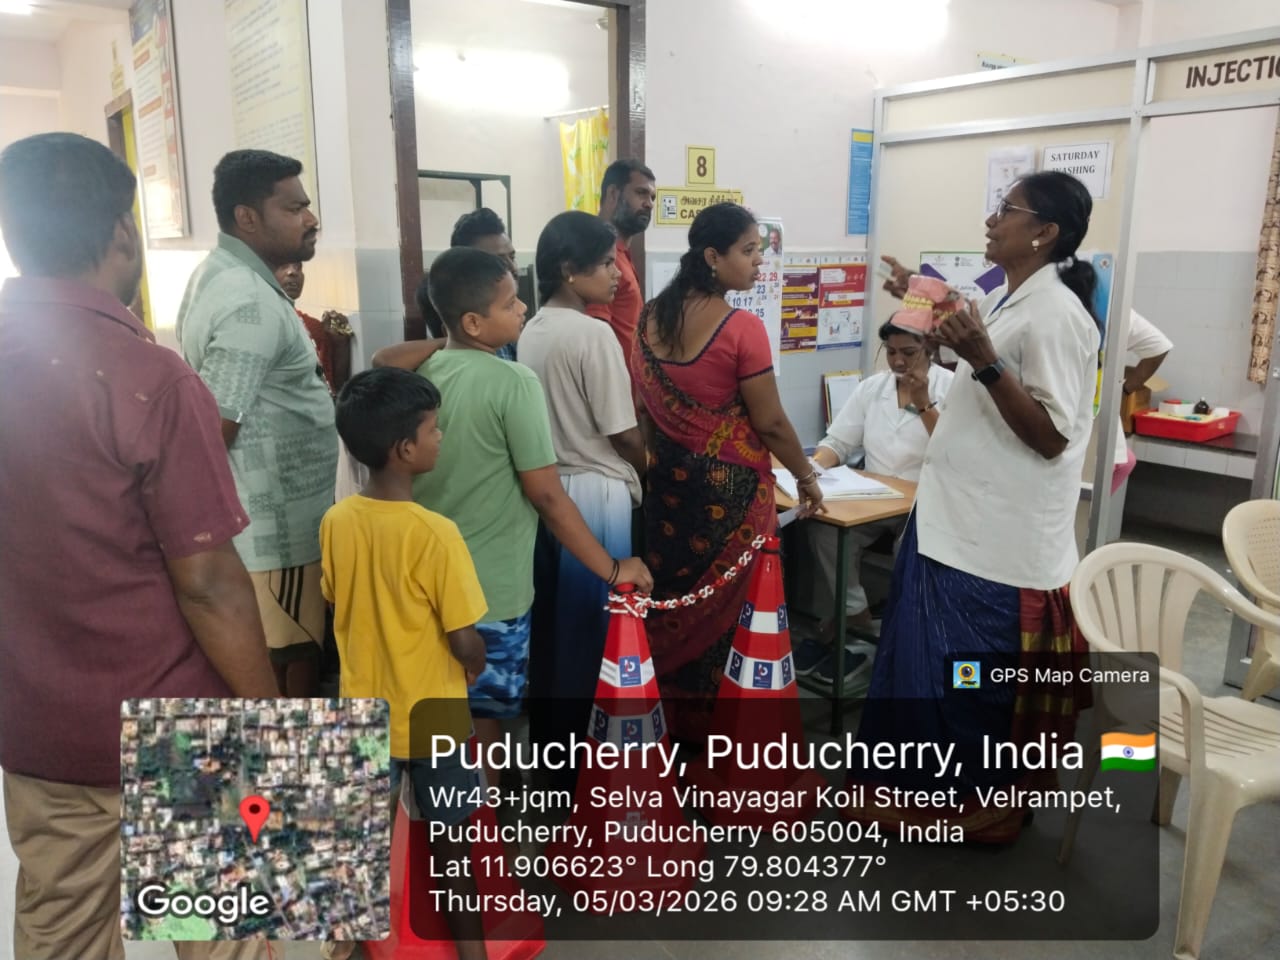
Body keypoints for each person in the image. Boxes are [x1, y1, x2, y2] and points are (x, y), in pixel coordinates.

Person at [0, 133, 278, 960]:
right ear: (123, 231)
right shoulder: (150, 378)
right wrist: (267, 719)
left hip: (39, 724)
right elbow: (209, 584)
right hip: (176, 724)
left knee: (62, 932)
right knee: (220, 929)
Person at [855, 171, 1100, 844]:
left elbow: (1051, 437)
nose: (992, 220)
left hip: (995, 547)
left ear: (1044, 232)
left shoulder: (1057, 316)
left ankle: (979, 808)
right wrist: (924, 296)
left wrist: (985, 360)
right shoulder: (1011, 298)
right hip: (952, 528)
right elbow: (974, 339)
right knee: (926, 674)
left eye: (1006, 210)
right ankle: (920, 796)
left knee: (968, 682)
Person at [410, 246, 652, 787]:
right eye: (509, 303)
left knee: (442, 713)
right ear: (473, 322)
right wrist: (614, 568)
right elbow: (547, 496)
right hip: (491, 591)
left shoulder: (423, 375)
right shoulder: (513, 382)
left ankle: (439, 823)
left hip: (428, 585)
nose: (523, 309)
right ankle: (484, 829)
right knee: (486, 721)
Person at [632, 202, 823, 742]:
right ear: (713, 256)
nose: (760, 260)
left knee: (674, 598)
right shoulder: (742, 328)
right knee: (731, 607)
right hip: (732, 499)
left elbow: (644, 410)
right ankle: (726, 735)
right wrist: (806, 478)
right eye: (749, 250)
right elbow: (771, 422)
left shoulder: (649, 317)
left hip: (668, 489)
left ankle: (668, 726)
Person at [321, 367, 487, 960]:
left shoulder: (337, 521)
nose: (440, 437)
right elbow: (465, 640)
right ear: (405, 449)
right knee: (451, 849)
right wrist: (475, 663)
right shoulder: (436, 534)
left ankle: (349, 950)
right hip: (435, 716)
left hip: (363, 711)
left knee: (359, 847)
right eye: (433, 429)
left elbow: (337, 599)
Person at [177, 149, 338, 699]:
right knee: (286, 675)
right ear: (247, 217)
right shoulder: (249, 300)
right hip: (275, 539)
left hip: (274, 529)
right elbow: (212, 430)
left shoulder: (225, 275)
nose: (311, 219)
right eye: (294, 208)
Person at [517, 211, 647, 782]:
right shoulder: (592, 334)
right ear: (570, 270)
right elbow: (622, 432)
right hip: (595, 490)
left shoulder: (533, 328)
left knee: (555, 629)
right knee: (595, 632)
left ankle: (553, 756)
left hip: (549, 488)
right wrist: (649, 466)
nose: (617, 275)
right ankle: (585, 768)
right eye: (604, 264)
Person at [794, 319, 954, 686]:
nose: (898, 362)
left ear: (929, 349)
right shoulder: (872, 388)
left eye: (908, 353)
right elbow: (838, 442)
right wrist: (812, 471)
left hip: (927, 501)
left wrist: (923, 403)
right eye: (891, 352)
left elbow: (952, 450)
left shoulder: (952, 388)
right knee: (823, 529)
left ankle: (897, 642)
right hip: (876, 499)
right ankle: (855, 615)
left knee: (909, 547)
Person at [586, 158, 656, 362]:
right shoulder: (595, 253)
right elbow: (595, 339)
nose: (649, 204)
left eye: (652, 197)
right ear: (613, 194)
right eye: (641, 193)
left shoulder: (622, 253)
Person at [1112, 310, 1172, 492]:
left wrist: (1124, 390)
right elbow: (1159, 346)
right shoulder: (1114, 307)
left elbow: (1159, 345)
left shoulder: (1113, 309)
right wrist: (1124, 390)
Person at [274, 260, 355, 394]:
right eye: (283, 265)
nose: (293, 272)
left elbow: (334, 387)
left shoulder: (312, 326)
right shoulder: (256, 323)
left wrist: (339, 343)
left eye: (298, 267)